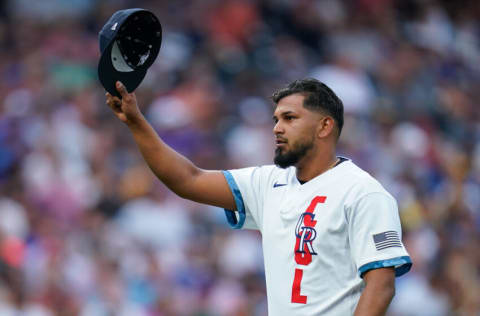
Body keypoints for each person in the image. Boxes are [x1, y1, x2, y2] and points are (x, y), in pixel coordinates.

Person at [105, 78, 412, 315]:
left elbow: (381, 285)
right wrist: (136, 122)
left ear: (324, 126)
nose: (277, 128)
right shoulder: (269, 182)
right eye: (276, 119)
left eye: (290, 118)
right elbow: (188, 179)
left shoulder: (364, 193)